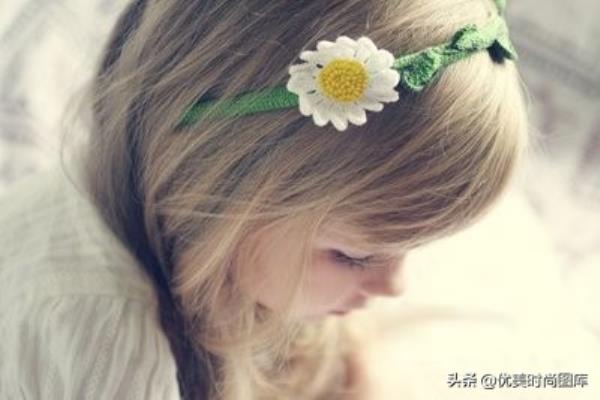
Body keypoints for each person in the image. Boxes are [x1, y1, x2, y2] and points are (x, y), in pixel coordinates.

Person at [0, 0, 529, 399]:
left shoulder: (166, 217)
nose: (395, 286)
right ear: (220, 184)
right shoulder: (111, 353)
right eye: (352, 256)